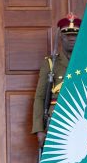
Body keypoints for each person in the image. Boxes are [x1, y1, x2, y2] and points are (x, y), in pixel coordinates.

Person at [32, 12, 81, 150]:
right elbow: (40, 97)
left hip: (83, 121)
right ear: (61, 37)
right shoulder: (50, 63)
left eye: (75, 35)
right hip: (56, 123)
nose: (71, 38)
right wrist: (39, 129)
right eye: (67, 35)